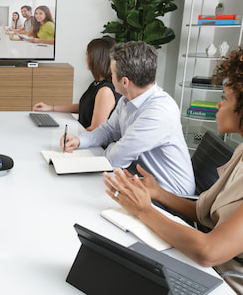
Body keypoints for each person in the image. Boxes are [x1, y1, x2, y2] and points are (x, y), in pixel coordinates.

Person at [102, 46, 243, 293]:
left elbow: (208, 253)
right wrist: (158, 193)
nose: (219, 104)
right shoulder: (241, 152)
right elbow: (204, 213)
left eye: (227, 98)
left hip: (225, 280)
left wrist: (144, 210)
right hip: (207, 264)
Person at [62, 41, 194, 195]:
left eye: (112, 74)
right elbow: (108, 130)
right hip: (140, 182)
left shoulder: (159, 111)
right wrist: (81, 141)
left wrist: (115, 147)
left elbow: (116, 158)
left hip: (170, 195)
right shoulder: (127, 99)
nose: (110, 78)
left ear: (125, 82)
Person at [33, 37, 121, 130]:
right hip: (85, 138)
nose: (86, 58)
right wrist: (51, 108)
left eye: (87, 55)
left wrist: (73, 137)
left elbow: (96, 130)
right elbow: (85, 106)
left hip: (92, 142)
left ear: (97, 59)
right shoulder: (97, 83)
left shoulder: (105, 91)